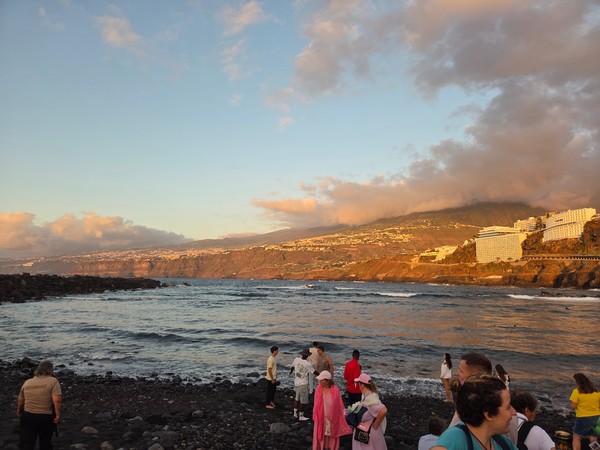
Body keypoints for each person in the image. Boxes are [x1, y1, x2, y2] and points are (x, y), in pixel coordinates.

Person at [432, 374, 517, 450]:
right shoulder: (455, 439)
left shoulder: (503, 443)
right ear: (489, 415)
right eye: (508, 407)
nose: (513, 413)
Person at [16, 360, 62, 450]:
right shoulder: (53, 381)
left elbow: (21, 400)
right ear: (50, 370)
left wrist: (19, 410)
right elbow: (57, 400)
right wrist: (57, 414)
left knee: (26, 443)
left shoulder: (28, 382)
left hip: (28, 416)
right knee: (45, 443)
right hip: (45, 417)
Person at [449, 352, 493, 427]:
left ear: (474, 377)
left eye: (461, 371)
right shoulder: (497, 399)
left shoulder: (470, 410)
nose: (457, 373)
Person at [312, 370, 352, 450]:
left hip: (332, 418)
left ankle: (330, 447)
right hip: (321, 417)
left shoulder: (335, 390)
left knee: (331, 434)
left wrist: (345, 413)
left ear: (327, 381)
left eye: (321, 380)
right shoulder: (318, 389)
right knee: (322, 434)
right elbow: (316, 404)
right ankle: (321, 447)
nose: (319, 381)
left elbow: (340, 404)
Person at [352, 373, 388, 450]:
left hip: (369, 432)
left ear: (362, 385)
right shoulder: (366, 395)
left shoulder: (370, 398)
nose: (358, 385)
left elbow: (383, 410)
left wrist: (376, 424)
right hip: (365, 430)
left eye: (359, 383)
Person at [569, 373, 600, 450]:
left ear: (578, 382)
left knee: (577, 438)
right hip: (597, 417)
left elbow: (573, 406)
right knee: (593, 438)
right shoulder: (596, 392)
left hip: (583, 418)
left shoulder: (577, 391)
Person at [290, 347, 316, 421]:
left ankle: (295, 414)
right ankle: (301, 415)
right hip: (303, 383)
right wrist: (321, 374)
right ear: (308, 355)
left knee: (296, 398)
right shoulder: (308, 364)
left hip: (296, 382)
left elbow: (292, 367)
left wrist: (291, 372)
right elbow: (314, 372)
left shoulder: (296, 359)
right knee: (303, 401)